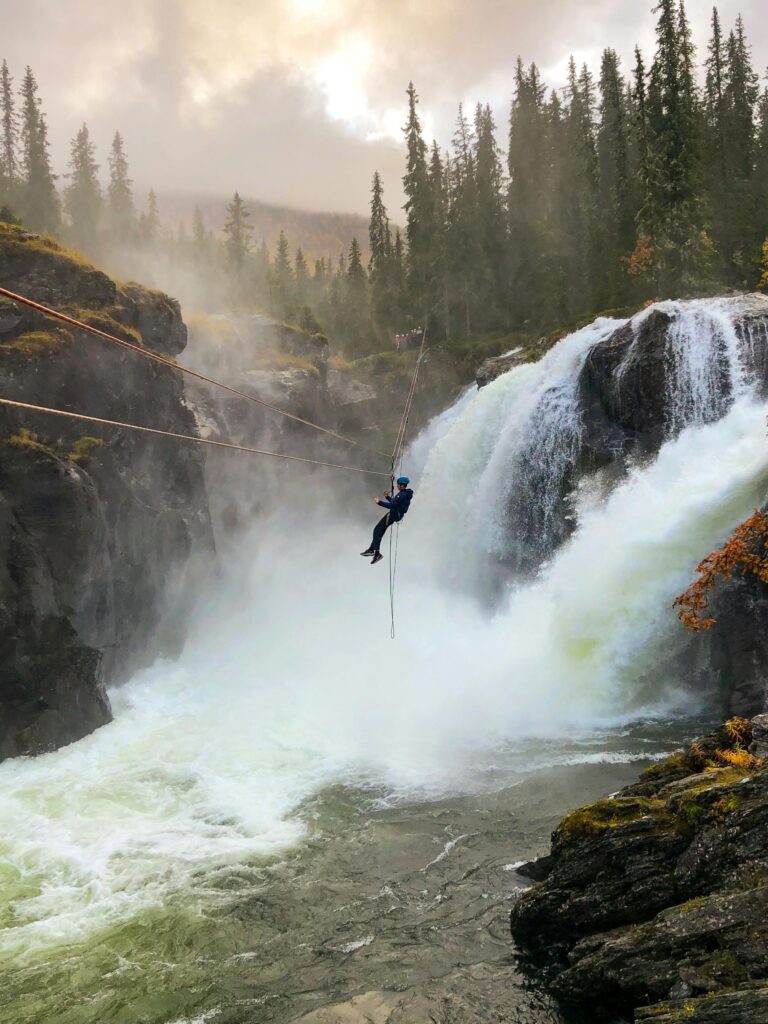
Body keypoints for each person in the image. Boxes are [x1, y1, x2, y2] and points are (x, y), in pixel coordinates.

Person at [361, 476, 414, 564]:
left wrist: (379, 502)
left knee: (377, 530)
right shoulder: (405, 494)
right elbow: (395, 503)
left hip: (393, 515)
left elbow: (392, 505)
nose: (397, 485)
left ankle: (376, 553)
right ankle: (372, 549)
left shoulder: (401, 495)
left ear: (401, 485)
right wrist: (388, 497)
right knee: (379, 530)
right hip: (397, 514)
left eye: (398, 484)